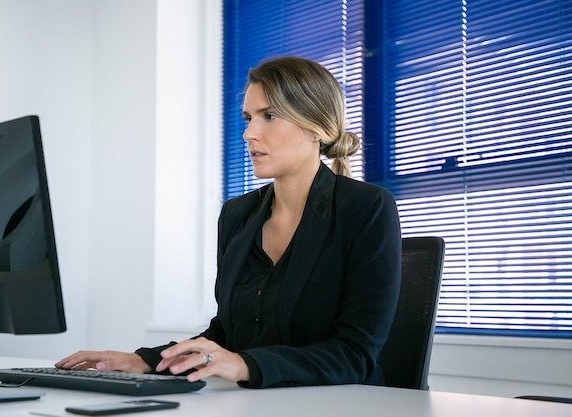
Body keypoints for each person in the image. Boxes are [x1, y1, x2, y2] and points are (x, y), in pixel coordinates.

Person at [55, 56, 402, 388]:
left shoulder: (366, 207)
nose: (249, 134)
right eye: (247, 118)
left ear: (314, 125)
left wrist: (246, 365)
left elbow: (355, 354)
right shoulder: (238, 215)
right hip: (256, 403)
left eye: (268, 116)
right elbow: (226, 333)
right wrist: (148, 361)